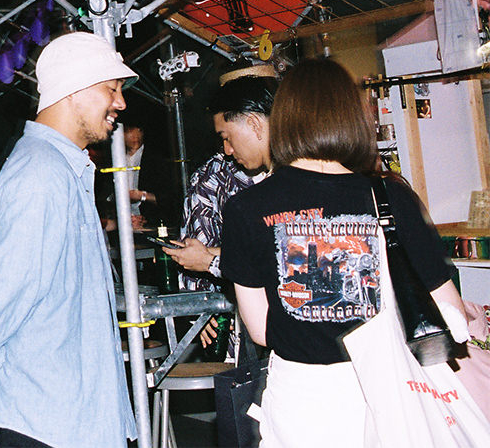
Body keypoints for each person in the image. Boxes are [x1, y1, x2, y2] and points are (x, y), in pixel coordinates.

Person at [221, 57, 463, 446]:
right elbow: (447, 309)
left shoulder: (245, 208)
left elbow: (261, 330)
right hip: (389, 392)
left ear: (284, 120)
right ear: (353, 119)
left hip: (301, 398)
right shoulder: (391, 196)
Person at [0, 31, 137, 447]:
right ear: (73, 89)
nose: (120, 102)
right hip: (40, 417)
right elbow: (9, 287)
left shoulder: (60, 167)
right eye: (111, 88)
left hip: (63, 412)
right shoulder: (40, 173)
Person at [167, 75, 277, 291]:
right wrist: (206, 253)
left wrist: (209, 261)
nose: (227, 150)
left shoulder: (287, 183)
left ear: (254, 123)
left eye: (227, 137)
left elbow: (277, 263)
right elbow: (263, 250)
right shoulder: (212, 176)